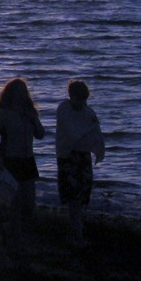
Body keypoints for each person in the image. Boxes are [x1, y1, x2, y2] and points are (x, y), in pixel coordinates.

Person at [0, 77, 45, 248]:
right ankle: (16, 237)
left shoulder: (29, 113)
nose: (22, 95)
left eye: (24, 91)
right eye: (18, 91)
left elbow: (41, 134)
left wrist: (33, 119)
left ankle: (9, 228)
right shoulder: (3, 114)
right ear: (10, 94)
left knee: (29, 203)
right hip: (10, 160)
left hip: (27, 161)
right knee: (15, 201)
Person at [55, 79, 105, 248]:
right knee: (73, 198)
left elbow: (96, 134)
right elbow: (73, 134)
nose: (82, 103)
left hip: (83, 158)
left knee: (82, 197)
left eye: (84, 99)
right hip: (68, 158)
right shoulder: (64, 109)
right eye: (80, 99)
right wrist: (88, 130)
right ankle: (77, 236)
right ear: (72, 96)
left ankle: (75, 232)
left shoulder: (88, 111)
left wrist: (99, 151)